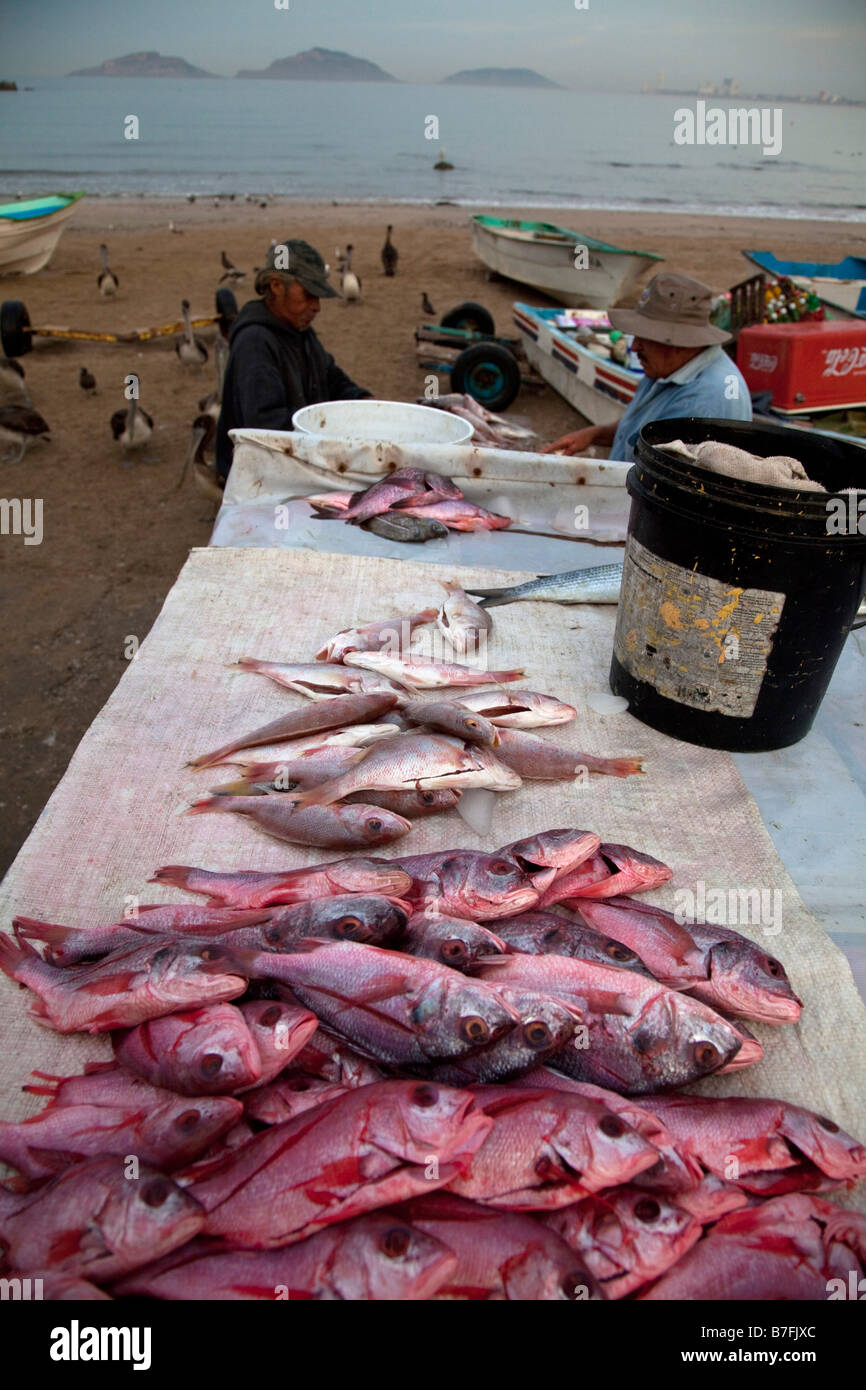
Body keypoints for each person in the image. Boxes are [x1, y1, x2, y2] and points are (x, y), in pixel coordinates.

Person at [543, 272, 751, 460]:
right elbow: (642, 428)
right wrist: (594, 434)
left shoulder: (703, 401)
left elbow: (657, 484)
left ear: (679, 342)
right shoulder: (670, 365)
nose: (634, 347)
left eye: (644, 337)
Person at [216, 238, 372, 479]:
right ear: (277, 285)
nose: (317, 307)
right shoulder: (256, 342)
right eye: (309, 295)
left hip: (301, 452)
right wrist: (331, 448)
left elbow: (331, 378)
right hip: (262, 471)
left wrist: (365, 403)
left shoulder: (299, 330)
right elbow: (268, 430)